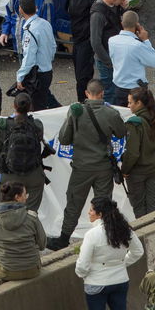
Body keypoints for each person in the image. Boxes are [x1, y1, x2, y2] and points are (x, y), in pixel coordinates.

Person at [47, 80, 127, 251]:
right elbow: (121, 133)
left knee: (74, 203)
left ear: (86, 93)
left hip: (81, 168)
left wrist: (72, 119)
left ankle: (64, 238)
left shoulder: (76, 112)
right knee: (104, 204)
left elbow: (64, 139)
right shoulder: (110, 113)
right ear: (102, 93)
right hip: (103, 167)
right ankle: (107, 237)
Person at [74, 197, 144, 310]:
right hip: (120, 280)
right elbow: (138, 251)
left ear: (100, 214)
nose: (88, 212)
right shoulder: (124, 229)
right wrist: (122, 263)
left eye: (91, 210)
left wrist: (83, 274)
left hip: (96, 282)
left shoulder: (92, 235)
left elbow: (82, 265)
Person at [0, 93, 52, 210]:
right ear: (30, 107)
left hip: (9, 175)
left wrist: (5, 169)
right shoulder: (37, 125)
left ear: (14, 106)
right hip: (34, 175)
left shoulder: (3, 126)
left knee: (2, 211)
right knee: (31, 214)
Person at [0, 180, 47, 281]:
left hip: (7, 270)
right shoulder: (31, 217)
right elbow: (42, 245)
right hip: (33, 269)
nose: (26, 197)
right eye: (25, 195)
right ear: (17, 197)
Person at [122, 86, 155, 218]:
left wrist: (125, 170)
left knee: (139, 207)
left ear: (139, 103)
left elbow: (133, 153)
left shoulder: (134, 124)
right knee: (154, 204)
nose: (128, 105)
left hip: (137, 172)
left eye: (130, 102)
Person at [14, 0, 57, 110]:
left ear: (20, 9)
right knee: (44, 100)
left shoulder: (30, 30)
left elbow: (29, 57)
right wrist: (47, 60)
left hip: (37, 75)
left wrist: (20, 76)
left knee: (37, 108)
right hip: (47, 71)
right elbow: (53, 46)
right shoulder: (45, 24)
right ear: (36, 7)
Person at [108, 11, 155, 107]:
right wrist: (146, 41)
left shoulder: (111, 41)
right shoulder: (137, 45)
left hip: (119, 87)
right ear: (137, 25)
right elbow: (154, 62)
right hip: (137, 90)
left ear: (122, 23)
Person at [89, 0, 130, 92]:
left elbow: (122, 24)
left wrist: (124, 9)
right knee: (110, 92)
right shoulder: (98, 14)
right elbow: (95, 42)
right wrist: (109, 62)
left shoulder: (116, 4)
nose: (123, 2)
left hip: (117, 55)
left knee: (121, 90)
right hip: (107, 60)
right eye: (122, 0)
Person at [65, 0, 97, 102]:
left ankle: (85, 103)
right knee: (79, 75)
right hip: (77, 39)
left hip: (86, 39)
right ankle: (83, 102)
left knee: (83, 77)